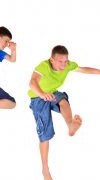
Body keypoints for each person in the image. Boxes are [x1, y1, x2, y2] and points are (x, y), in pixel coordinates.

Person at [28, 45, 100, 180]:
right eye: (60, 61)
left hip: (52, 93)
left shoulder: (68, 65)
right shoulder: (43, 66)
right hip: (37, 97)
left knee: (63, 101)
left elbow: (83, 69)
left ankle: (71, 125)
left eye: (65, 61)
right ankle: (45, 169)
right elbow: (32, 83)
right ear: (52, 60)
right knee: (45, 134)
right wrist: (42, 94)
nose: (63, 64)